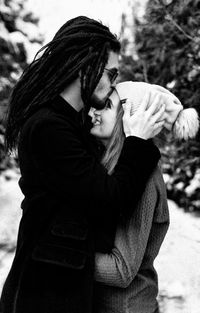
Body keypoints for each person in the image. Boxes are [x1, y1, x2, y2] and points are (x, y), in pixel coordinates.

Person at [0, 17, 165, 313]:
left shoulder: (69, 123)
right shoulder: (49, 127)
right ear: (84, 66)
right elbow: (109, 200)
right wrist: (138, 141)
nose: (114, 83)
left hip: (61, 290)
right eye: (110, 74)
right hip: (43, 294)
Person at [88, 82, 199, 313]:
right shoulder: (112, 168)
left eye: (106, 106)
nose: (93, 111)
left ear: (130, 118)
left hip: (126, 307)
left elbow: (121, 270)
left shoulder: (142, 179)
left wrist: (60, 256)